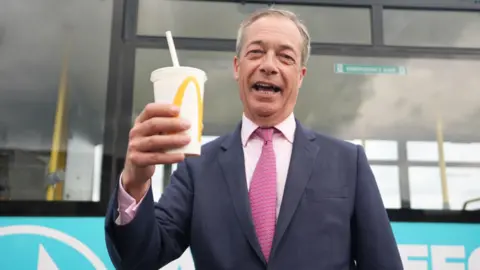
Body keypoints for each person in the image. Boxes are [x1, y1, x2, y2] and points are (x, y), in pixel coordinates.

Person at [104, 8, 403, 270]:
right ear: (237, 67)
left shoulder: (348, 162)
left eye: (285, 57)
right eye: (256, 52)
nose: (269, 65)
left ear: (300, 75)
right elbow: (138, 260)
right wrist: (134, 182)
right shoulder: (197, 166)